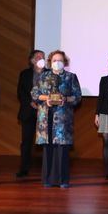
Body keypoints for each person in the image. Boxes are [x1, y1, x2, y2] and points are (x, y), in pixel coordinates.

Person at [31, 50, 81, 188]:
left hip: (63, 119)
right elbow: (35, 93)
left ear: (64, 62)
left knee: (62, 150)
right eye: (54, 60)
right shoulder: (43, 76)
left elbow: (77, 97)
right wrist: (46, 98)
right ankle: (47, 180)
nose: (57, 63)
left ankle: (63, 180)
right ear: (50, 62)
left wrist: (65, 99)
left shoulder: (71, 77)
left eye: (60, 60)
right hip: (46, 118)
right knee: (48, 149)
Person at [15, 50, 46, 178]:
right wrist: (31, 103)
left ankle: (47, 169)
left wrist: (41, 104)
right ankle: (24, 168)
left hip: (45, 112)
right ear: (32, 60)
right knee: (26, 142)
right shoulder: (25, 73)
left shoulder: (50, 74)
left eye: (43, 57)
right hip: (28, 112)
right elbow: (20, 92)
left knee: (45, 142)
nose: (41, 59)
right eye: (38, 57)